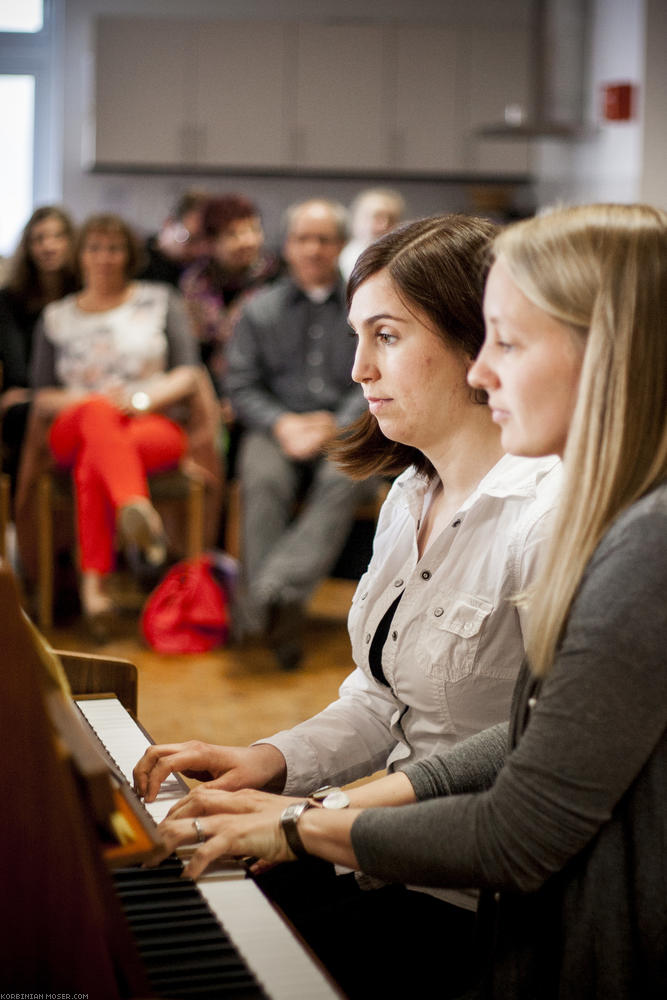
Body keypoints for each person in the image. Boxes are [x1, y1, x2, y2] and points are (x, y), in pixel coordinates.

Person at [144, 203, 667, 999]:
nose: (485, 369)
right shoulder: (412, 491)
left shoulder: (612, 533)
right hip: (390, 847)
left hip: (471, 894)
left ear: (606, 353)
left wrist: (305, 820)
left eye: (509, 341)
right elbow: (458, 720)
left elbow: (520, 812)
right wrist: (285, 776)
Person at [26, 212, 206, 639]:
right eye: (94, 247)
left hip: (149, 423)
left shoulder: (160, 300)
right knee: (95, 416)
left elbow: (188, 374)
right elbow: (42, 394)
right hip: (74, 423)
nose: (104, 257)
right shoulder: (56, 316)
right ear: (79, 255)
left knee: (97, 458)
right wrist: (94, 405)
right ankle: (133, 505)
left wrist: (141, 399)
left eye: (114, 247)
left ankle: (95, 587)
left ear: (128, 254)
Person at [224, 197, 379, 670]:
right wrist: (282, 423)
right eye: (303, 239)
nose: (313, 248)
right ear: (287, 247)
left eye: (324, 239)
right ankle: (280, 620)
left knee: (348, 476)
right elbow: (240, 384)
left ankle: (273, 593)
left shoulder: (365, 307)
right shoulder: (259, 310)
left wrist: (333, 424)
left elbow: (376, 371)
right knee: (264, 480)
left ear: (339, 246)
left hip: (343, 427)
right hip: (275, 428)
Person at [0, 206, 78, 495]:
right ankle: (32, 515)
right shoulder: (9, 300)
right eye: (40, 239)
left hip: (77, 392)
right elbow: (18, 369)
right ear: (28, 247)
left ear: (72, 242)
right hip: (30, 397)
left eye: (58, 237)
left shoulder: (84, 293)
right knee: (27, 413)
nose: (49, 246)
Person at [179, 192, 279, 395]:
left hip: (267, 386)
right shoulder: (194, 284)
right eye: (233, 234)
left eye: (253, 230)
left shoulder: (276, 278)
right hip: (210, 389)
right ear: (211, 241)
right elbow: (195, 352)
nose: (247, 241)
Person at [138, 189, 209, 287]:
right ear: (168, 224)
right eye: (190, 239)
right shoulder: (142, 257)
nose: (198, 250)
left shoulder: (204, 268)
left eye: (201, 239)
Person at [338, 186, 406, 281]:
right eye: (376, 217)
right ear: (356, 221)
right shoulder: (337, 261)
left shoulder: (405, 262)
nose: (383, 225)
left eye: (391, 219)